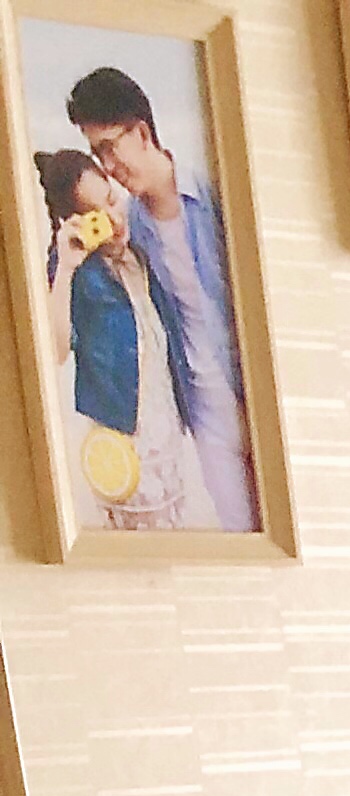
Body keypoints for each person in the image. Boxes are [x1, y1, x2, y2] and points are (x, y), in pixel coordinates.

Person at [69, 63, 251, 530]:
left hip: (259, 397)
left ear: (142, 132)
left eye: (109, 148)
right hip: (206, 420)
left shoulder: (218, 195)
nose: (107, 167)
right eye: (96, 154)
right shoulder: (133, 230)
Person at [32, 148, 202, 530]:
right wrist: (67, 268)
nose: (113, 217)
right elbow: (54, 351)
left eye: (111, 198)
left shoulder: (137, 248)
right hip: (122, 440)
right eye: (97, 215)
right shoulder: (75, 270)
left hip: (165, 426)